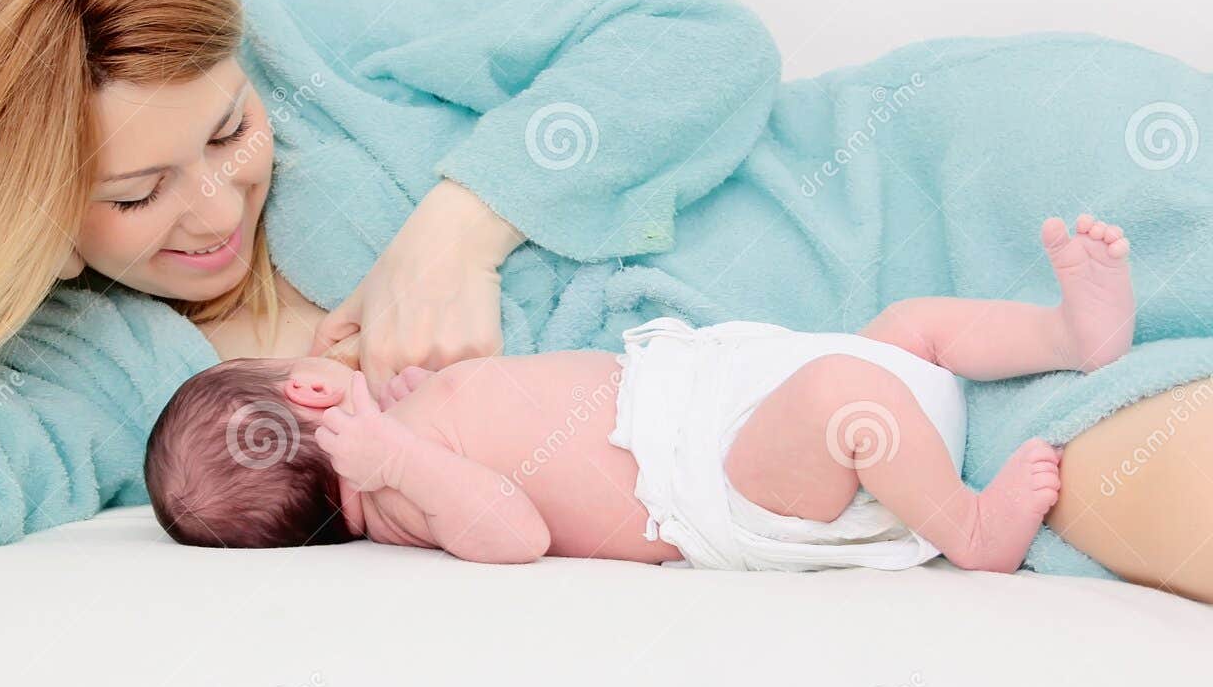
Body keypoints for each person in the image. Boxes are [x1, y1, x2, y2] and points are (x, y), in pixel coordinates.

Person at [0, 0, 1213, 603]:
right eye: (131, 194)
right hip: (937, 428)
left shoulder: (308, 40)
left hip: (923, 194)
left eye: (229, 133)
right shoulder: (102, 381)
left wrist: (464, 224)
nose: (214, 206)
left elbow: (695, 35)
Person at [146, 215, 1131, 574]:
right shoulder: (400, 497)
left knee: (907, 329)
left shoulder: (402, 439)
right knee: (844, 389)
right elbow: (512, 531)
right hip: (728, 482)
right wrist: (400, 455)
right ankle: (969, 528)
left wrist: (408, 412)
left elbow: (475, 431)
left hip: (728, 402)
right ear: (313, 386)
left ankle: (1065, 336)